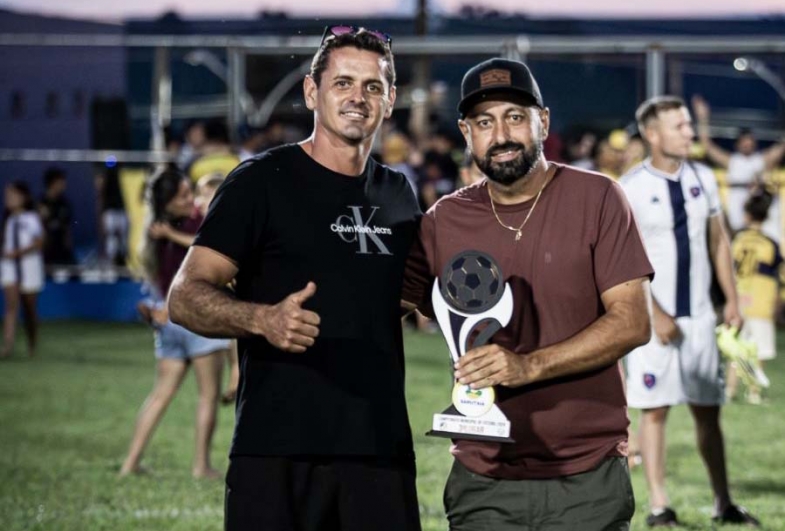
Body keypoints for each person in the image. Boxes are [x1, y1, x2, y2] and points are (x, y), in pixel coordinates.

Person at [167, 26, 422, 531]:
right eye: (342, 83)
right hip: (278, 448)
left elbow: (397, 294)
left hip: (379, 445)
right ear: (312, 92)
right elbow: (185, 296)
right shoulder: (261, 181)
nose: (358, 97)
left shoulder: (398, 193)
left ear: (390, 101)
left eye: (373, 86)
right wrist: (261, 318)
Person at [403, 57, 653, 530]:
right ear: (465, 131)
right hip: (483, 475)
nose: (500, 135)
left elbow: (632, 322)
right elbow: (381, 308)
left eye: (515, 117)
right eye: (484, 121)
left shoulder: (597, 196)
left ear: (543, 121)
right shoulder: (442, 220)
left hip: (585, 473)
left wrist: (528, 366)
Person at [621, 95, 760, 527]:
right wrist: (655, 311)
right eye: (679, 126)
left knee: (708, 411)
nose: (690, 133)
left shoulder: (701, 177)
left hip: (701, 317)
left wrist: (732, 300)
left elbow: (717, 240)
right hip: (654, 322)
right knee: (655, 410)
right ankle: (660, 505)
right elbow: (625, 257)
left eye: (688, 124)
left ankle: (723, 502)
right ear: (653, 133)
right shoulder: (631, 187)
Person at [120, 169, 230, 479]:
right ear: (167, 203)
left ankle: (131, 463)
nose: (192, 199)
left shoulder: (153, 232)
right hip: (195, 318)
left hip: (168, 320)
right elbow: (205, 244)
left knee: (160, 394)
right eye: (184, 195)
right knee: (208, 395)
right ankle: (201, 466)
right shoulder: (191, 225)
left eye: (190, 191)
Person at [692, 95, 785, 238]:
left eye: (750, 141)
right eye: (744, 141)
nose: (747, 144)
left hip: (762, 224)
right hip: (738, 222)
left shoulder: (762, 160)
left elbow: (781, 147)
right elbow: (707, 145)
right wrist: (703, 118)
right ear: (737, 144)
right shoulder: (732, 161)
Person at [729, 190, 781, 403]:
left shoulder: (737, 240)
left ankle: (729, 391)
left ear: (747, 214)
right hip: (761, 302)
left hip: (739, 301)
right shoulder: (770, 244)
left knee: (736, 350)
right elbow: (777, 276)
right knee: (758, 351)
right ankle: (753, 393)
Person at [1, 181, 44, 358]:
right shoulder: (8, 220)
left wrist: (18, 253)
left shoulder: (31, 219)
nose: (9, 199)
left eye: (12, 195)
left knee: (29, 308)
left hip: (28, 265)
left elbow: (39, 242)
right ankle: (7, 346)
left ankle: (32, 342)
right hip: (10, 266)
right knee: (11, 306)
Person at [39, 167, 75, 265]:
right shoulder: (40, 204)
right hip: (47, 252)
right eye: (61, 182)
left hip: (63, 251)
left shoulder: (64, 203)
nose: (64, 184)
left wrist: (68, 246)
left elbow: (66, 228)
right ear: (53, 183)